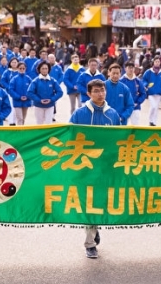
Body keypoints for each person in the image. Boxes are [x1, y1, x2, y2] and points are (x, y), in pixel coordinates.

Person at [69, 79, 120, 259]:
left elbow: (118, 142)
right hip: (85, 168)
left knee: (100, 203)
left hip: (104, 168)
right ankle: (90, 243)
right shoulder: (79, 114)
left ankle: (94, 227)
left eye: (103, 90)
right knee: (88, 204)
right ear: (89, 93)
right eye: (97, 91)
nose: (101, 94)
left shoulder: (112, 115)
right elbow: (70, 138)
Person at [142, 56, 161, 126]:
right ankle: (150, 120)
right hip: (151, 92)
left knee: (156, 108)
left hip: (159, 93)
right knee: (153, 106)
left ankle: (154, 122)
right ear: (153, 62)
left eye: (158, 62)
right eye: (156, 61)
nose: (157, 63)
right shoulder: (149, 71)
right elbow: (144, 79)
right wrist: (146, 85)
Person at [8, 61, 32, 125]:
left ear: (25, 69)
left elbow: (32, 90)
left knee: (23, 118)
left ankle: (22, 130)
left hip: (26, 101)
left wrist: (28, 97)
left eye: (23, 68)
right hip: (17, 102)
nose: (22, 70)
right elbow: (11, 90)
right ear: (17, 69)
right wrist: (18, 97)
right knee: (20, 118)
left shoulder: (28, 79)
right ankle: (19, 132)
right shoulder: (14, 79)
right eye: (20, 68)